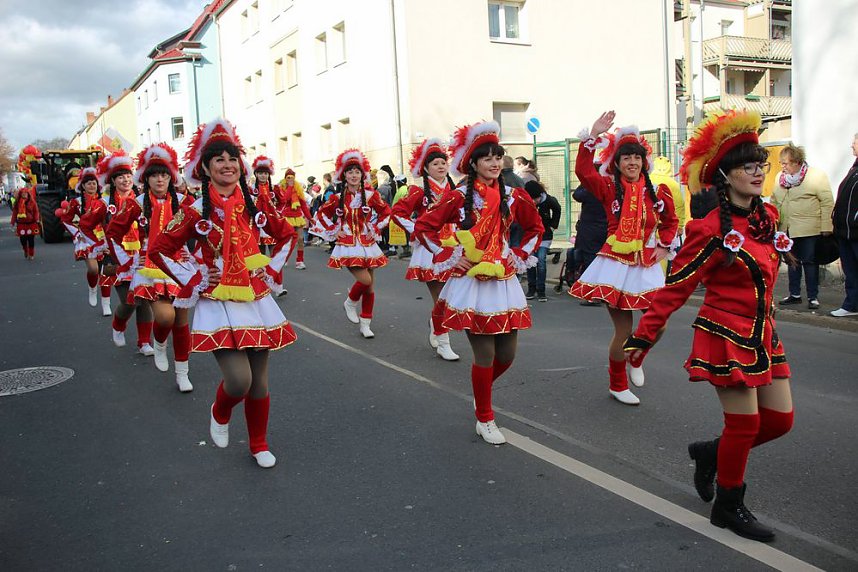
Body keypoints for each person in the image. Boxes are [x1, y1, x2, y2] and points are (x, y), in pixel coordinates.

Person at [625, 110, 795, 543]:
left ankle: (708, 454)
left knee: (780, 421)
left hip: (763, 333)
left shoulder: (767, 217)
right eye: (748, 167)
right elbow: (677, 286)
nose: (758, 173)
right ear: (725, 175)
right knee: (745, 426)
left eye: (762, 165)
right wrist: (645, 334)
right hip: (725, 334)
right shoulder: (708, 230)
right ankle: (728, 505)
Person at [148, 118, 297, 468]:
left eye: (232, 158)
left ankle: (258, 443)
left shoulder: (256, 203)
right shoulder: (194, 209)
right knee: (238, 380)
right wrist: (196, 274)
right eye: (219, 159)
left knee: (259, 381)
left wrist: (271, 267)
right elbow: (158, 249)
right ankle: (220, 409)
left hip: (256, 297)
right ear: (206, 168)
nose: (227, 164)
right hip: (217, 301)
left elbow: (287, 234)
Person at [412, 121, 543, 445]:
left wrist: (516, 253)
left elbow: (535, 229)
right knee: (484, 354)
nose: (494, 163)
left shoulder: (514, 195)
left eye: (498, 156)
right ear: (473, 163)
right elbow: (424, 228)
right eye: (486, 158)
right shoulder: (457, 196)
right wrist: (451, 255)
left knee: (507, 355)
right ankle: (484, 417)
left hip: (503, 281)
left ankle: (480, 394)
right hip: (470, 284)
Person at [568, 111, 678, 406]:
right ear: (616, 163)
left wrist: (665, 245)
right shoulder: (606, 188)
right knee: (624, 330)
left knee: (659, 323)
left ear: (644, 161)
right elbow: (583, 172)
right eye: (625, 158)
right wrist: (592, 136)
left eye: (636, 157)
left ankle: (638, 357)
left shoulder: (658, 192)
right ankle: (617, 384)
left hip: (646, 265)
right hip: (614, 265)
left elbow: (671, 221)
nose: (632, 162)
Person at [105, 143, 194, 392]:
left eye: (164, 174)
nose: (160, 179)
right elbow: (112, 233)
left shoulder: (184, 203)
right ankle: (159, 342)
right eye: (154, 175)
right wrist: (129, 260)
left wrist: (195, 258)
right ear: (146, 178)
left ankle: (182, 373)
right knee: (165, 316)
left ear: (171, 177)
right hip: (150, 268)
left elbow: (201, 232)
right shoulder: (137, 203)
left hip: (178, 266)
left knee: (181, 322)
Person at [390, 138, 460, 361]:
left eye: (443, 163)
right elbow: (398, 213)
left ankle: (435, 322)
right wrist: (419, 229)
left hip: (456, 248)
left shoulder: (457, 191)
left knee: (453, 297)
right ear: (426, 169)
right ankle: (443, 342)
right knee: (441, 299)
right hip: (430, 251)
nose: (441, 167)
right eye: (435, 164)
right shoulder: (418, 192)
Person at [310, 149, 391, 338]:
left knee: (370, 287)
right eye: (350, 172)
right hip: (347, 245)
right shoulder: (337, 198)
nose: (354, 175)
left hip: (368, 244)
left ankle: (366, 323)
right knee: (365, 280)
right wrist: (334, 230)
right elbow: (320, 215)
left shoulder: (371, 196)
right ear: (344, 175)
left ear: (362, 175)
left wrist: (375, 228)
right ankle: (350, 302)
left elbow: (387, 212)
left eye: (357, 172)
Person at [97, 151, 155, 355]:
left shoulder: (142, 200)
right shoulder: (104, 204)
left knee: (144, 300)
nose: (126, 180)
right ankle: (118, 325)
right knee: (129, 301)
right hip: (116, 256)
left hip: (140, 255)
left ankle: (144, 342)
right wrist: (97, 244)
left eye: (128, 175)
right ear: (113, 181)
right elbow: (87, 225)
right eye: (121, 177)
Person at [771, 143, 835, 310]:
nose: (782, 166)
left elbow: (827, 202)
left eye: (785, 163)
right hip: (787, 228)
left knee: (809, 262)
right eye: (781, 163)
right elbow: (774, 201)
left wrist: (826, 226)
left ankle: (813, 297)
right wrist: (773, 223)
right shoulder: (780, 178)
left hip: (809, 228)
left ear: (796, 162)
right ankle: (794, 294)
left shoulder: (816, 176)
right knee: (792, 262)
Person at [57, 167, 112, 311]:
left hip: (103, 238)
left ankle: (106, 303)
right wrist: (76, 233)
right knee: (94, 269)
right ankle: (92, 288)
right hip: (86, 238)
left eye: (94, 183)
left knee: (106, 270)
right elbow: (65, 220)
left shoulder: (105, 201)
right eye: (88, 183)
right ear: (82, 186)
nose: (92, 186)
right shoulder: (76, 202)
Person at [830, 133, 858, 317]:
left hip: (855, 230)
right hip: (846, 231)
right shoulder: (854, 168)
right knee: (851, 271)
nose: (851, 145)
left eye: (854, 142)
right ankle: (852, 305)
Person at [572, 183, 608, 306]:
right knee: (605, 262)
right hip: (607, 228)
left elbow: (577, 195)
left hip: (590, 230)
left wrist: (585, 183)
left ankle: (593, 295)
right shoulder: (612, 184)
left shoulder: (591, 186)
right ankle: (604, 293)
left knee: (590, 262)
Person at [524, 180, 561, 302]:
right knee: (530, 262)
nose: (534, 202)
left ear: (540, 196)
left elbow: (557, 209)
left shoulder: (549, 200)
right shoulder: (525, 202)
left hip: (545, 236)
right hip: (530, 236)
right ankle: (531, 288)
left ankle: (541, 290)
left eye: (535, 199)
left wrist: (552, 225)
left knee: (541, 261)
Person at [274, 168, 312, 270]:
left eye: (292, 177)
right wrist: (290, 187)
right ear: (285, 178)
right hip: (287, 217)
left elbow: (303, 205)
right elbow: (285, 199)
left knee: (300, 239)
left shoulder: (298, 188)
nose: (290, 179)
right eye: (288, 177)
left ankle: (300, 261)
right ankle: (284, 259)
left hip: (298, 216)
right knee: (287, 240)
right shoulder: (281, 188)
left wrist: (310, 218)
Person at [10, 186, 40, 259]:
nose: (24, 195)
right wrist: (12, 222)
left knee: (31, 240)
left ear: (28, 194)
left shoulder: (32, 202)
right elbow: (14, 213)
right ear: (21, 194)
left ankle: (31, 254)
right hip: (21, 224)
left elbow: (36, 211)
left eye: (26, 193)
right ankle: (25, 250)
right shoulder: (17, 203)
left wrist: (37, 219)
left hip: (31, 223)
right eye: (23, 194)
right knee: (23, 240)